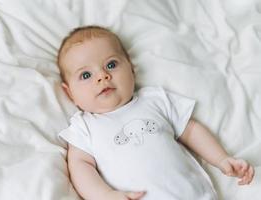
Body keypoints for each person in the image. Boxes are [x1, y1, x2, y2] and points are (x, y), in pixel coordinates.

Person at [57, 25, 254, 200]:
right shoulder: (85, 126)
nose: (102, 76)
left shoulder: (155, 100)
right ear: (69, 92)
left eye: (111, 65)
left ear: (131, 68)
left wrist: (221, 158)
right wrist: (105, 195)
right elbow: (80, 167)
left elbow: (191, 130)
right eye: (85, 75)